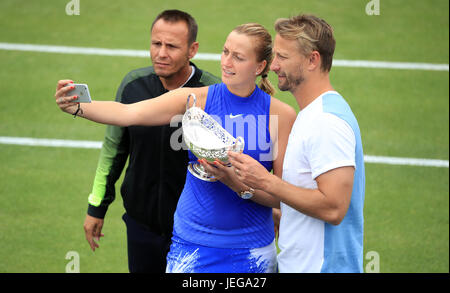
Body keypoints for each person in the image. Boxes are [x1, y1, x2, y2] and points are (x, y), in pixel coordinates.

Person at [55, 23, 296, 273]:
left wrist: (237, 184)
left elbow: (281, 196)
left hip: (251, 250)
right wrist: (79, 106)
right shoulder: (194, 99)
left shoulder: (280, 115)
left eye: (238, 57)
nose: (227, 62)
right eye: (225, 52)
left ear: (259, 67)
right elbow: (129, 113)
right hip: (192, 246)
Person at [82, 9, 220, 273]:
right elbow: (114, 150)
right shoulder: (134, 85)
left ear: (193, 50)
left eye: (172, 46)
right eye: (156, 43)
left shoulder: (211, 94)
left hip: (195, 231)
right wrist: (96, 207)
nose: (161, 53)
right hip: (140, 225)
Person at [228, 14, 366, 273]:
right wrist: (232, 179)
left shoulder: (326, 122)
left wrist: (266, 180)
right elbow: (297, 196)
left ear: (312, 59)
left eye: (282, 57)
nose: (274, 65)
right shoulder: (310, 115)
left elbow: (334, 208)